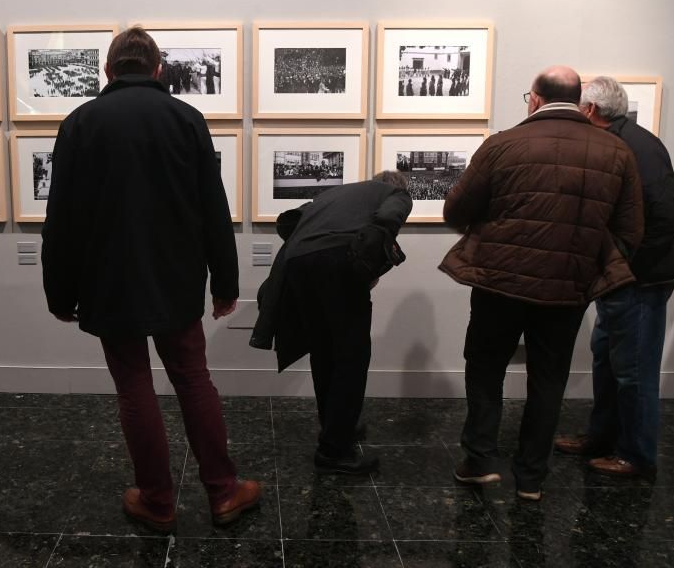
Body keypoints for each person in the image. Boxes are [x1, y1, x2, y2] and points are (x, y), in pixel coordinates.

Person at [41, 26, 260, 533]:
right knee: (193, 379)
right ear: (159, 69)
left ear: (108, 70)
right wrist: (225, 284)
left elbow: (63, 219)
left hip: (108, 283)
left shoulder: (80, 123)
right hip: (176, 281)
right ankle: (224, 494)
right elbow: (213, 210)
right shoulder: (186, 119)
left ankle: (158, 501)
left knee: (133, 387)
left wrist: (60, 292)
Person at [440, 66, 644, 501]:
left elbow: (456, 211)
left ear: (534, 98)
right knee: (549, 379)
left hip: (498, 281)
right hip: (567, 288)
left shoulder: (503, 144)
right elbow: (629, 232)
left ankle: (479, 462)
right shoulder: (615, 151)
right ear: (579, 101)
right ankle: (531, 478)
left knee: (485, 368)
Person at [554, 76, 674, 479]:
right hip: (626, 272)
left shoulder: (635, 146)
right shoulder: (626, 140)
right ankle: (601, 437)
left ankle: (636, 454)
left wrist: (622, 261)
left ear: (590, 111)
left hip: (642, 275)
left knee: (633, 367)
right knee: (607, 356)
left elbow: (662, 216)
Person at [250, 172, 412, 475]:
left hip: (296, 263)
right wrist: (368, 257)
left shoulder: (333, 195)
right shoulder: (395, 192)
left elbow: (290, 220)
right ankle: (335, 451)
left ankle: (336, 428)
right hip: (336, 259)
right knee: (352, 356)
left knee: (324, 352)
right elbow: (390, 218)